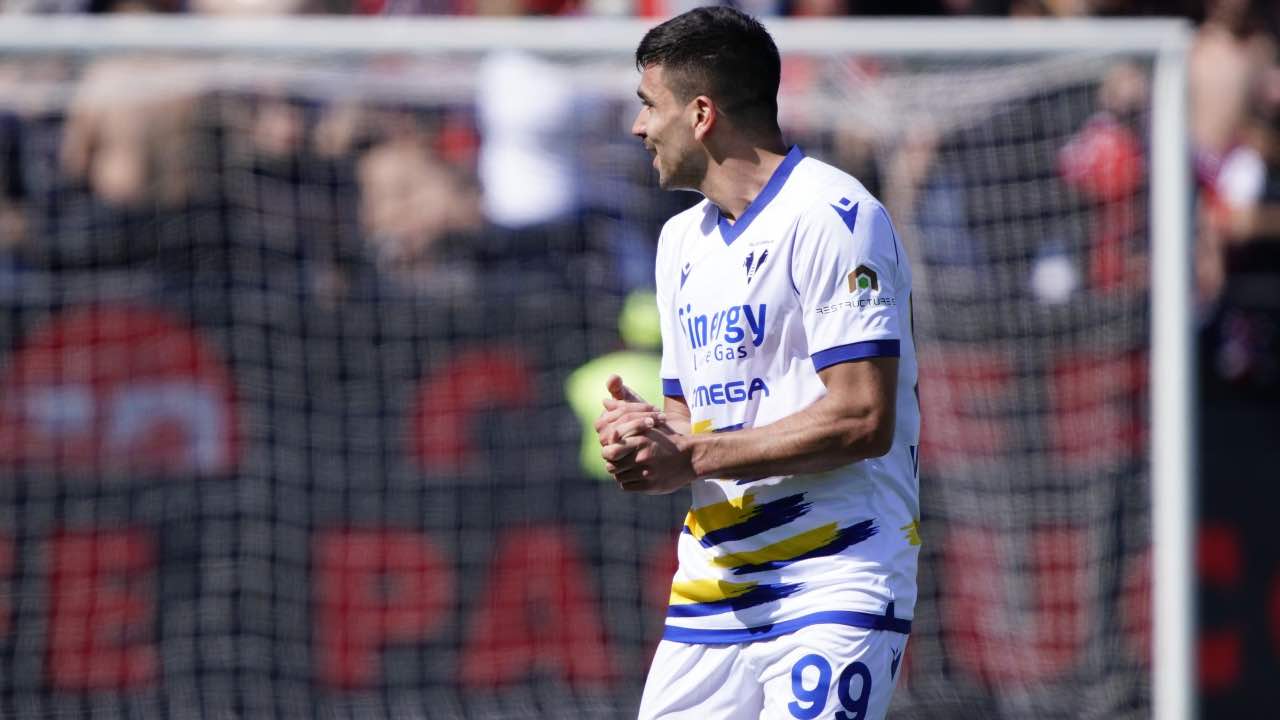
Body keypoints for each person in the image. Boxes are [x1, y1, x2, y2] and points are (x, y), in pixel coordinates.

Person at [594, 7, 920, 719]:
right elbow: (692, 423)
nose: (638, 127)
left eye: (650, 105)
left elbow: (864, 418)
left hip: (835, 579)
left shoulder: (834, 215)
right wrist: (650, 433)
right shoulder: (679, 242)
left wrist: (694, 452)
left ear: (701, 113)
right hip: (713, 592)